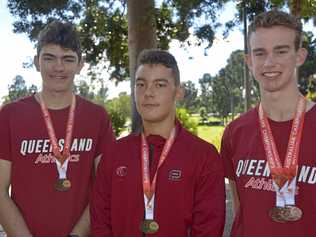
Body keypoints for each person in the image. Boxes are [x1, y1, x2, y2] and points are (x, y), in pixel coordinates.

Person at [91, 49, 225, 237]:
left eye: (160, 85)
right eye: (141, 84)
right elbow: (100, 222)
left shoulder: (204, 156)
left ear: (178, 92)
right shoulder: (114, 153)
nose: (148, 93)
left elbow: (209, 228)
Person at [0, 20, 114, 237]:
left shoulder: (97, 117)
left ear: (80, 64)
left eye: (68, 59)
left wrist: (76, 236)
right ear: (36, 62)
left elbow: (105, 189)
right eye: (49, 58)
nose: (58, 67)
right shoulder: (10, 115)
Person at [220, 10, 315, 237]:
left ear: (299, 56)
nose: (269, 62)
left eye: (281, 51)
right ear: (249, 61)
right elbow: (243, 210)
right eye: (260, 53)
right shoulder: (235, 132)